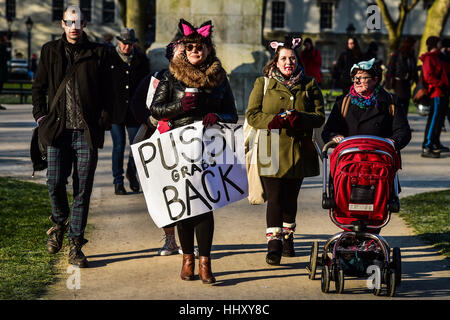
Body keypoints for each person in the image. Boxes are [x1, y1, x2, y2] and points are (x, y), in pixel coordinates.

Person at [150, 19, 238, 283]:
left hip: (208, 148)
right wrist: (181, 108)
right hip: (177, 147)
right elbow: (156, 110)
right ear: (184, 50)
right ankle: (187, 259)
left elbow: (232, 114)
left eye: (199, 47)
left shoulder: (220, 79)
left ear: (208, 49)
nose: (195, 51)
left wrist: (216, 115)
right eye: (190, 48)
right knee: (183, 206)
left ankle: (205, 264)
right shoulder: (171, 75)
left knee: (204, 205)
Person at [32, 5, 111, 268]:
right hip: (57, 131)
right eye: (69, 22)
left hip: (86, 132)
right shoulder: (50, 51)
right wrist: (41, 118)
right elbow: (39, 88)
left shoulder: (98, 52)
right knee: (54, 182)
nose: (74, 27)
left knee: (83, 189)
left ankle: (75, 245)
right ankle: (59, 222)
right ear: (62, 24)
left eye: (78, 22)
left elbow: (108, 90)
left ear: (85, 23)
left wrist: (103, 119)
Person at [246, 37, 325, 266]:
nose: (288, 62)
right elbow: (252, 114)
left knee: (291, 198)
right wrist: (272, 121)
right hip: (270, 148)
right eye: (283, 58)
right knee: (275, 197)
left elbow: (320, 116)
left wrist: (302, 118)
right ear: (276, 61)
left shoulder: (309, 84)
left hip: (299, 149)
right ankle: (274, 245)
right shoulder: (263, 84)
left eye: (292, 58)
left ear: (297, 59)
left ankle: (288, 238)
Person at [131, 36, 185, 256]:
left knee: (187, 193)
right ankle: (170, 240)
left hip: (186, 145)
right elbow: (135, 104)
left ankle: (188, 242)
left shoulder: (200, 81)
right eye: (181, 53)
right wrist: (151, 120)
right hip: (159, 144)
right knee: (164, 194)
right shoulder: (156, 79)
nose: (184, 57)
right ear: (170, 56)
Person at [322, 58, 411, 152]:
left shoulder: (390, 101)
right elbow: (327, 131)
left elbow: (403, 131)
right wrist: (334, 136)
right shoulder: (343, 102)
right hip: (350, 159)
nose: (357, 81)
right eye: (355, 78)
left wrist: (392, 141)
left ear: (375, 80)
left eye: (362, 78)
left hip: (380, 158)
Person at [108, 28, 150, 195]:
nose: (127, 47)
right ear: (119, 42)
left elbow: (146, 86)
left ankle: (132, 173)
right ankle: (118, 181)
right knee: (118, 146)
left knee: (136, 146)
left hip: (134, 112)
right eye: (124, 43)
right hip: (115, 111)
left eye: (130, 44)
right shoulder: (110, 57)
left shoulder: (141, 59)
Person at [419, 36, 449, 158]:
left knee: (438, 120)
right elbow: (428, 76)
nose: (440, 45)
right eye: (439, 43)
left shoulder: (437, 57)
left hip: (442, 92)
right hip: (436, 92)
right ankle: (427, 146)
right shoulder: (429, 58)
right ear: (434, 44)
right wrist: (441, 84)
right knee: (433, 120)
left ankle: (433, 143)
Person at [385, 37, 418, 116]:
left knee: (406, 103)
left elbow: (413, 70)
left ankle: (404, 123)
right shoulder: (397, 55)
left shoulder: (411, 56)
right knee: (399, 103)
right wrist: (389, 83)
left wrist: (417, 82)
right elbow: (390, 69)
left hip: (407, 83)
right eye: (413, 45)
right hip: (398, 82)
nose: (414, 47)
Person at [439, 38, 450, 138]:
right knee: (442, 110)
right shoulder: (441, 56)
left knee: (445, 108)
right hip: (441, 88)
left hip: (445, 87)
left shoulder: (445, 56)